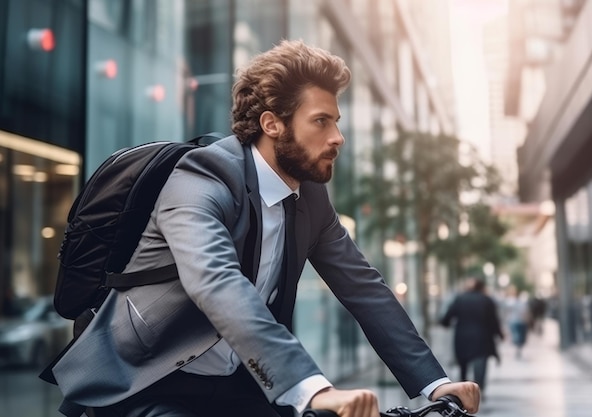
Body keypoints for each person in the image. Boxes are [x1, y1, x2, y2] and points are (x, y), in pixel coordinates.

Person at [48, 39, 480, 417]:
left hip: (238, 384)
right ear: (272, 124)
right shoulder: (202, 178)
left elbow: (363, 288)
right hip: (145, 379)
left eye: (337, 121)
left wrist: (434, 384)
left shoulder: (309, 198)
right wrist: (314, 388)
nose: (337, 137)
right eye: (321, 121)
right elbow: (218, 284)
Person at [440, 277, 504, 395]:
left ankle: (463, 390)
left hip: (462, 338)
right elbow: (493, 321)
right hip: (482, 337)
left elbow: (446, 319)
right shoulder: (487, 300)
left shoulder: (459, 299)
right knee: (480, 365)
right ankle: (479, 390)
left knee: (463, 365)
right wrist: (499, 334)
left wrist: (446, 323)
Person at [503, 285, 531, 359]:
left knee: (519, 336)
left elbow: (525, 311)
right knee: (517, 335)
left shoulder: (520, 301)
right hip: (514, 321)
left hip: (520, 321)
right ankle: (517, 347)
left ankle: (518, 347)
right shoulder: (509, 301)